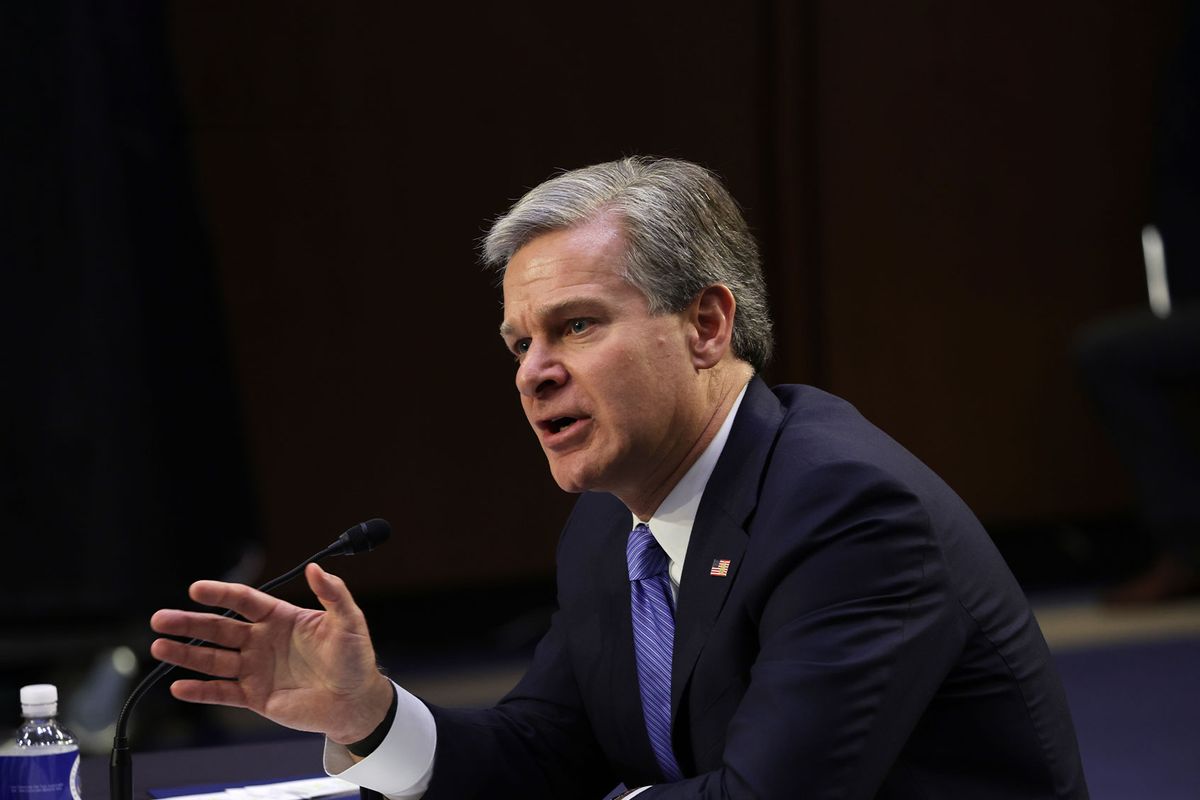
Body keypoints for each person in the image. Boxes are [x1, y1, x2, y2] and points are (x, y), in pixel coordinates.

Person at [150, 158, 1087, 798]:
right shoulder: (612, 527)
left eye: (578, 326)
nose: (533, 371)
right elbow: (545, 753)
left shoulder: (846, 511)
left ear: (707, 326)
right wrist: (372, 715)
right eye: (521, 343)